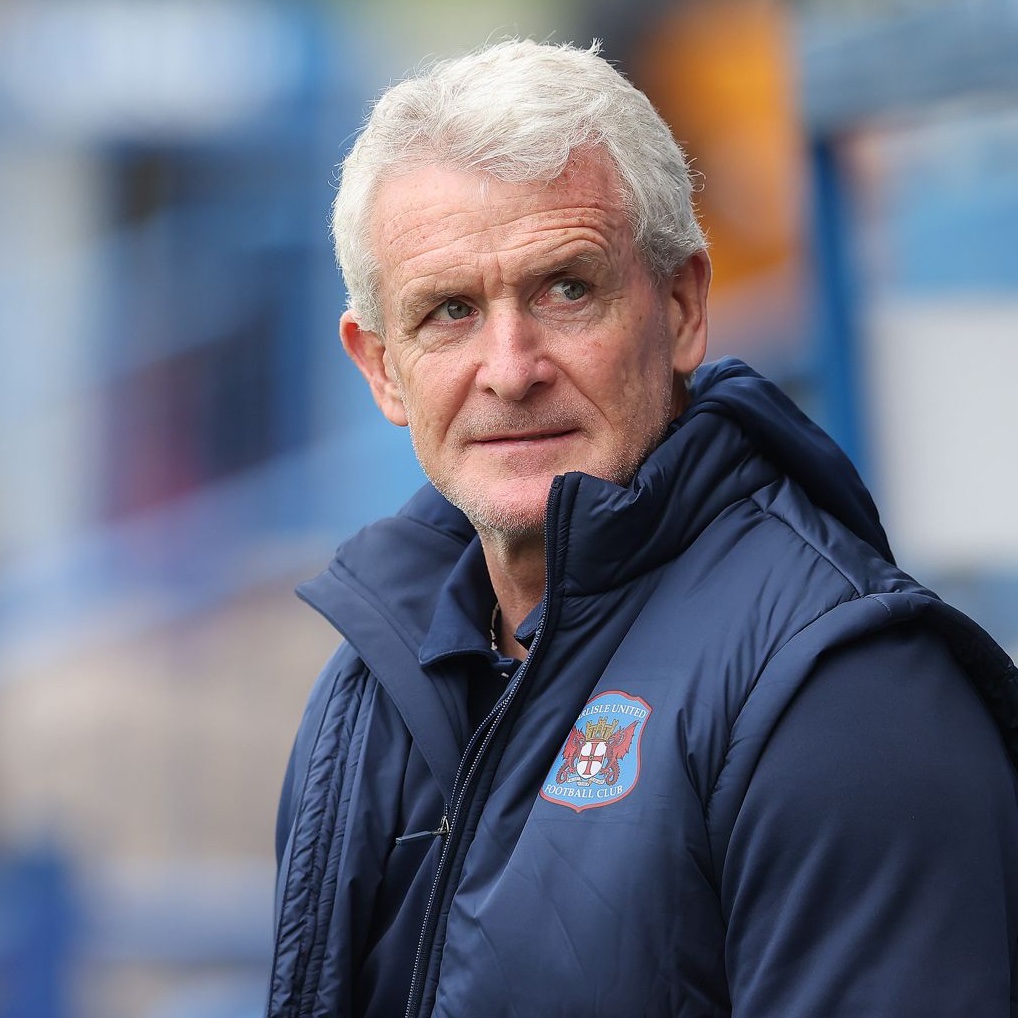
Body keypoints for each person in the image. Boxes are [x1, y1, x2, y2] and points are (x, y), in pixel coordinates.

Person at [267, 40, 1018, 1018]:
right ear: (379, 367)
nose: (510, 368)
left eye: (566, 289)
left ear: (683, 306)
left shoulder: (846, 694)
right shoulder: (364, 691)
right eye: (449, 311)